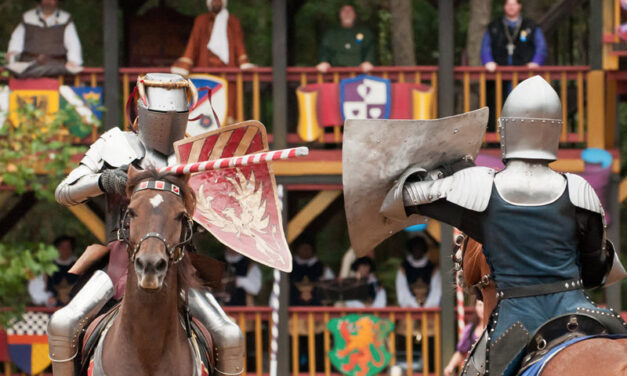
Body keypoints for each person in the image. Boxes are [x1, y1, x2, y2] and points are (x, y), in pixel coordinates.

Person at [381, 76, 627, 375]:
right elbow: (596, 272)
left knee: (473, 372)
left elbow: (399, 198)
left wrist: (444, 171)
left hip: (519, 321)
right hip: (579, 310)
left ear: (506, 129)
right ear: (554, 131)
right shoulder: (580, 191)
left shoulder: (480, 188)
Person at [49, 73, 244, 376]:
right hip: (119, 261)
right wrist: (103, 180)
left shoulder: (194, 155)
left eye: (174, 114)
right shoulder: (115, 143)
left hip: (179, 263)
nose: (166, 122)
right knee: (63, 323)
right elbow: (64, 191)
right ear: (141, 110)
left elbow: (222, 209)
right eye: (160, 113)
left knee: (229, 335)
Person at [171, 0, 254, 123]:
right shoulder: (201, 20)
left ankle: (230, 136)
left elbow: (239, 45)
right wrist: (185, 64)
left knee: (229, 109)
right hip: (206, 73)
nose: (216, 2)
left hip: (228, 74)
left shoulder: (233, 21)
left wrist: (243, 63)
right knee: (205, 106)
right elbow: (193, 43)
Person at [6, 0, 83, 77]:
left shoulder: (65, 19)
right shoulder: (27, 17)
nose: (48, 1)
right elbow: (16, 40)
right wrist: (13, 53)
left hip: (56, 67)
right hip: (29, 65)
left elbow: (73, 44)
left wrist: (73, 61)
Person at [480, 0, 546, 72]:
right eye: (508, 4)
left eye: (514, 4)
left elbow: (541, 46)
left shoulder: (530, 25)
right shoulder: (494, 26)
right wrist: (488, 61)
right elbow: (485, 46)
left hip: (525, 73)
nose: (511, 7)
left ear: (519, 6)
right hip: (499, 73)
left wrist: (536, 62)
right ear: (504, 7)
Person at [316, 5, 375, 73]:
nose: (347, 13)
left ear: (355, 14)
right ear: (339, 14)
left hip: (359, 75)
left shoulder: (365, 33)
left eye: (350, 11)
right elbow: (324, 50)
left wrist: (368, 61)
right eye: (344, 11)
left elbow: (370, 50)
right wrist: (324, 62)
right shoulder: (331, 34)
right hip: (336, 74)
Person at [396, 236, 441, 308]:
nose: (417, 250)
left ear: (424, 249)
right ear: (410, 249)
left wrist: (427, 307)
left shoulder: (433, 268)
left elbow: (436, 291)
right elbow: (402, 291)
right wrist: (415, 307)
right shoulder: (403, 268)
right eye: (414, 247)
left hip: (430, 310)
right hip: (409, 310)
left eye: (419, 247)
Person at [444, 299, 485, 376]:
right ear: (475, 307)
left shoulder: (497, 327)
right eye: (480, 305)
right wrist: (450, 366)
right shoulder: (470, 329)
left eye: (485, 305)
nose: (483, 308)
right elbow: (461, 352)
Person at [289, 241, 334, 306]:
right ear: (297, 249)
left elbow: (331, 293)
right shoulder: (288, 268)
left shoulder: (323, 269)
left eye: (307, 248)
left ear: (312, 250)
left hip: (318, 311)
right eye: (303, 248)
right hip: (291, 311)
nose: (305, 250)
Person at [46, 235, 78, 307]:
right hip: (53, 305)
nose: (65, 250)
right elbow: (47, 287)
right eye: (62, 247)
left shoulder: (78, 264)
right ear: (57, 249)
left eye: (68, 247)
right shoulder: (50, 266)